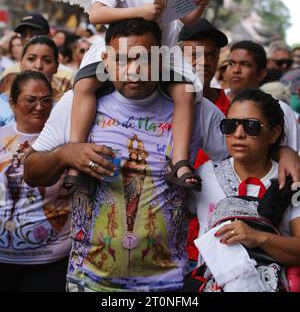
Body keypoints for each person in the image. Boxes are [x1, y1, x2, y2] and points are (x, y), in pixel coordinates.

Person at [24, 19, 300, 292]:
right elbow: (32, 171)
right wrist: (65, 155)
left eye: (144, 59)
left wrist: (284, 152)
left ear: (161, 59)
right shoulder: (78, 103)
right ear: (106, 60)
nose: (133, 71)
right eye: (121, 60)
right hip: (88, 282)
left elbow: (247, 148)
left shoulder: (196, 109)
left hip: (168, 286)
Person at [67, 0, 211, 190]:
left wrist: (199, 6)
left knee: (186, 91)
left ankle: (180, 160)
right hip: (120, 58)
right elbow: (97, 13)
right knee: (83, 85)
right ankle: (75, 151)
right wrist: (139, 12)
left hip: (161, 57)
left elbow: (189, 22)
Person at [188, 89, 300, 292]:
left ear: (274, 133)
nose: (238, 134)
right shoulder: (204, 175)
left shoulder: (291, 179)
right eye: (229, 126)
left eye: (251, 126)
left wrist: (259, 237)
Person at [0, 70, 71, 292]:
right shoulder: (1, 136)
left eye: (46, 100)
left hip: (50, 261)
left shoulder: (67, 141)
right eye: (30, 100)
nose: (39, 107)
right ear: (12, 103)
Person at [178, 19, 230, 267]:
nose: (206, 61)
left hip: (209, 247)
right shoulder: (147, 100)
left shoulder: (222, 112)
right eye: (196, 53)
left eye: (212, 54)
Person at [225, 41, 300, 152]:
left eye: (245, 64)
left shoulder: (281, 109)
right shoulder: (211, 102)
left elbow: (293, 155)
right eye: (231, 63)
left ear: (261, 74)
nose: (236, 70)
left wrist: (286, 154)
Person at [0, 14, 74, 94]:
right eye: (23, 34)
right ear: (21, 64)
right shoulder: (9, 73)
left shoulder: (67, 76)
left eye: (34, 34)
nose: (28, 38)